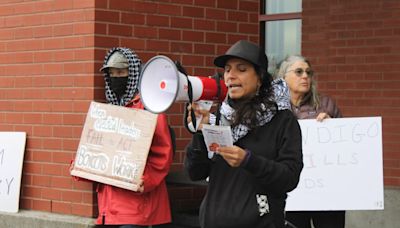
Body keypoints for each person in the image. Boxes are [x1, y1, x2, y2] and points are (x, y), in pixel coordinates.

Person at [184, 40, 304, 228]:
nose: (231, 75)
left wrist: (249, 161)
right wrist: (200, 133)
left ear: (260, 78)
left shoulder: (282, 120)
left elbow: (289, 178)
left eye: (241, 69)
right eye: (228, 69)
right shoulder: (219, 118)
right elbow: (195, 172)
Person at [74, 47, 173, 227]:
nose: (115, 78)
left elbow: (163, 154)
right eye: (111, 73)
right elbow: (99, 151)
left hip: (137, 209)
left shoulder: (149, 109)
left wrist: (146, 180)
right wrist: (82, 164)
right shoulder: (106, 113)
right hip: (109, 210)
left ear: (133, 73)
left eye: (120, 72)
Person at [276, 55, 344, 228]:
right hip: (293, 192)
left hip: (325, 190)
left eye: (308, 72)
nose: (305, 76)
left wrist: (333, 126)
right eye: (299, 72)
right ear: (283, 77)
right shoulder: (273, 109)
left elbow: (345, 145)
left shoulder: (325, 104)